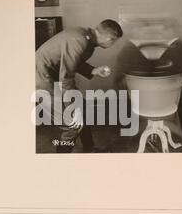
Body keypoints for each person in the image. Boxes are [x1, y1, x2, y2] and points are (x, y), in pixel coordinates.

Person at [36, 19, 123, 153]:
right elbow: (66, 77)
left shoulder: (85, 37)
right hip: (42, 77)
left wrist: (94, 70)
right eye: (113, 41)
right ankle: (61, 165)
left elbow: (71, 61)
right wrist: (73, 108)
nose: (112, 44)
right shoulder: (80, 40)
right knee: (71, 124)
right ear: (107, 37)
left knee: (82, 110)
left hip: (52, 75)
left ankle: (89, 149)